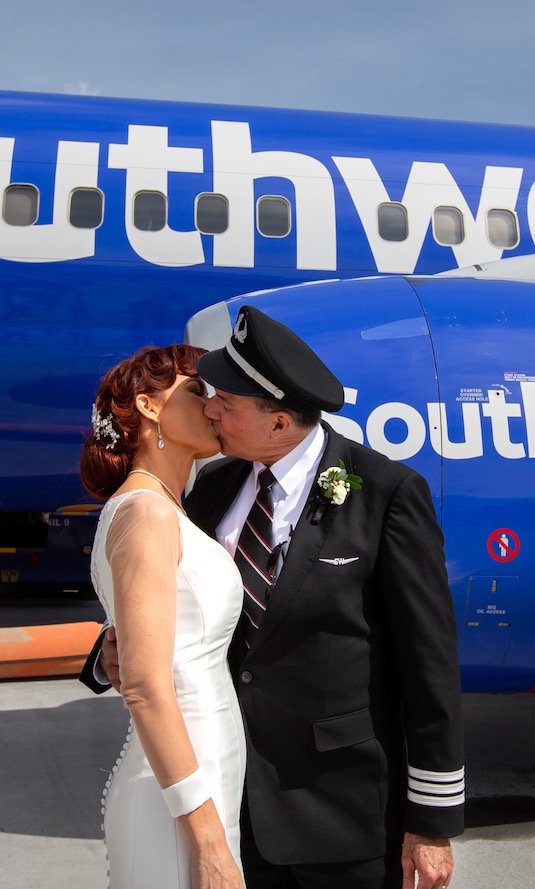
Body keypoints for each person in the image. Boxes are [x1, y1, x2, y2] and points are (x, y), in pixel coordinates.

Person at [86, 307, 465, 889]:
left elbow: (429, 663)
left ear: (280, 422)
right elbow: (174, 602)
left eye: (227, 404)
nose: (212, 408)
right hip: (230, 803)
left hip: (343, 818)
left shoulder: (385, 493)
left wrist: (433, 821)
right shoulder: (209, 490)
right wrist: (115, 647)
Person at [80, 344, 246, 889]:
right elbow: (147, 687)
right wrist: (209, 841)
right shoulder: (146, 514)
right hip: (177, 795)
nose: (215, 406)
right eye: (198, 392)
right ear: (150, 408)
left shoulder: (163, 509)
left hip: (202, 777)